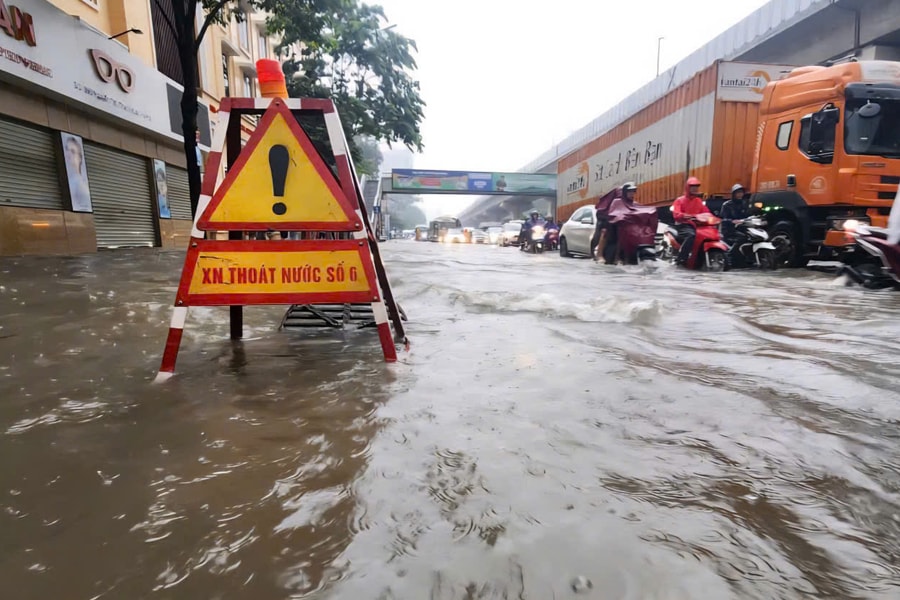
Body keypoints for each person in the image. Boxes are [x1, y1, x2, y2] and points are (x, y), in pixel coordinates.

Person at [672, 176, 711, 265]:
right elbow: (676, 214)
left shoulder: (698, 201)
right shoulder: (679, 200)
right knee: (691, 235)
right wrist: (685, 216)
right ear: (687, 187)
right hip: (683, 225)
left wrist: (713, 218)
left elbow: (706, 212)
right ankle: (682, 258)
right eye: (692, 187)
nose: (695, 189)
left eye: (696, 187)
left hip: (696, 225)